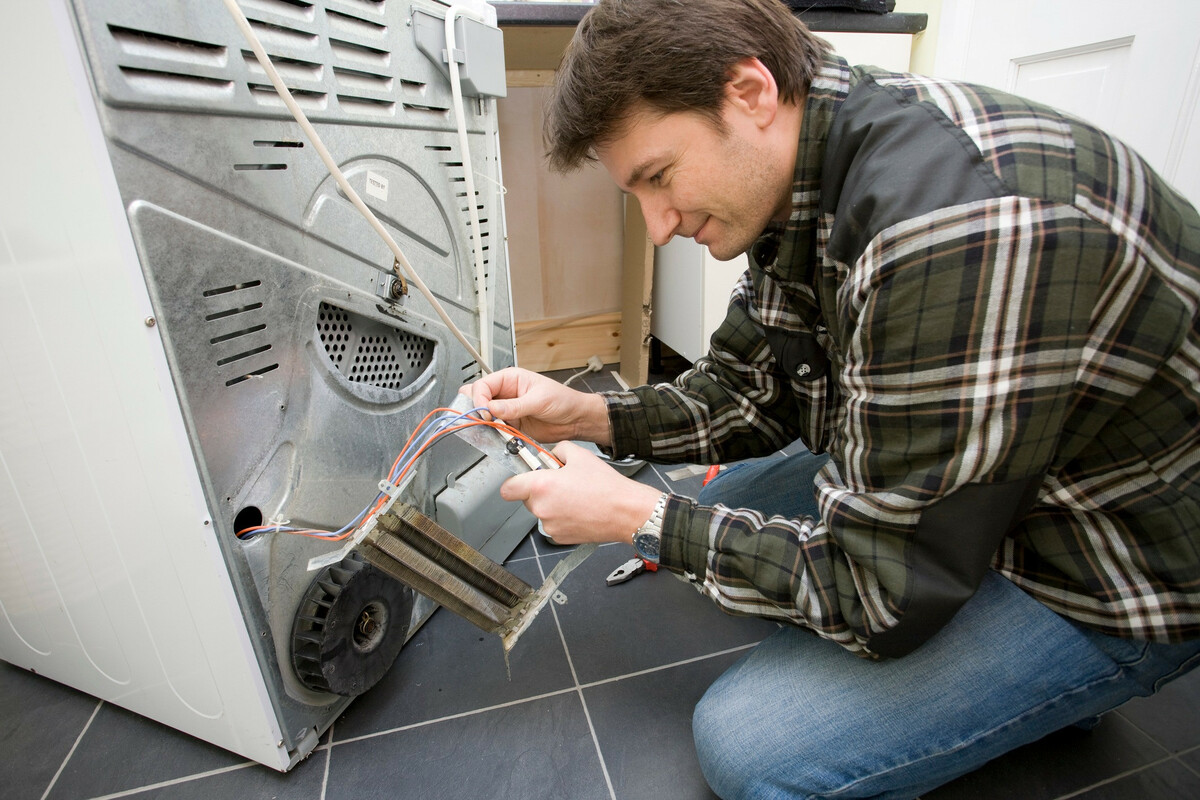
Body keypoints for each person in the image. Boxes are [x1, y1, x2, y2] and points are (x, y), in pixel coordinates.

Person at [467, 1, 1200, 797]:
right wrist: (588, 414)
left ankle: (1065, 688)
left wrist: (636, 516)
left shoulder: (949, 231)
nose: (659, 226)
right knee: (723, 508)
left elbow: (879, 593)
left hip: (1106, 556)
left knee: (749, 746)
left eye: (659, 177)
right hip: (998, 478)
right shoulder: (809, 166)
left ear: (750, 92)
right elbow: (749, 390)